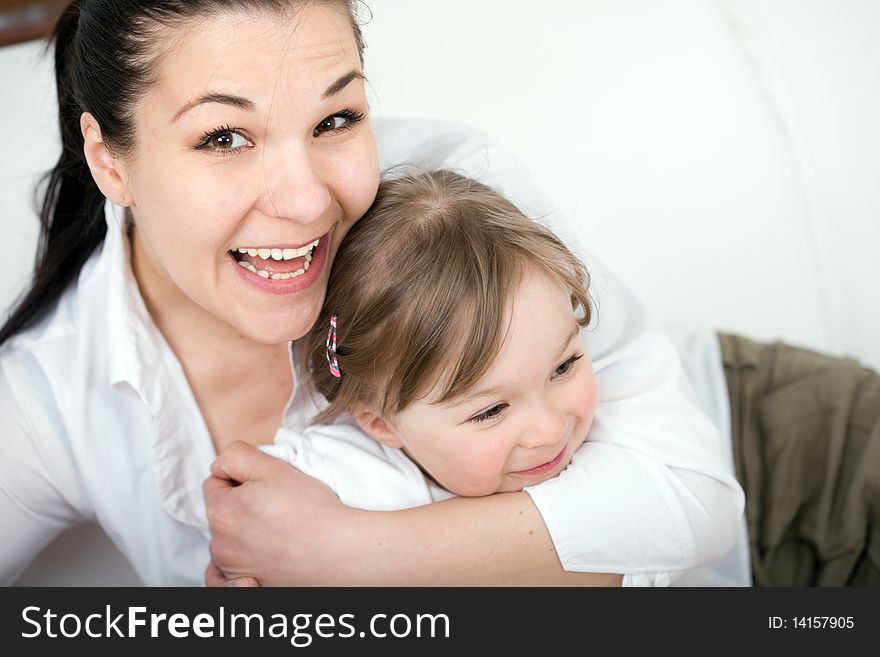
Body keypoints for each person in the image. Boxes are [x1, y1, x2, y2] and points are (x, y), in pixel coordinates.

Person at [0, 0, 743, 587]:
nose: (303, 199)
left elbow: (693, 497)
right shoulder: (55, 396)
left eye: (336, 118)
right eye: (225, 137)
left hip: (776, 436)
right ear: (110, 161)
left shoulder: (447, 190)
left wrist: (350, 554)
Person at [250, 169, 668, 585]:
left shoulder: (614, 442)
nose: (550, 429)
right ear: (380, 423)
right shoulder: (333, 481)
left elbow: (680, 529)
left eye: (563, 366)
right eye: (490, 411)